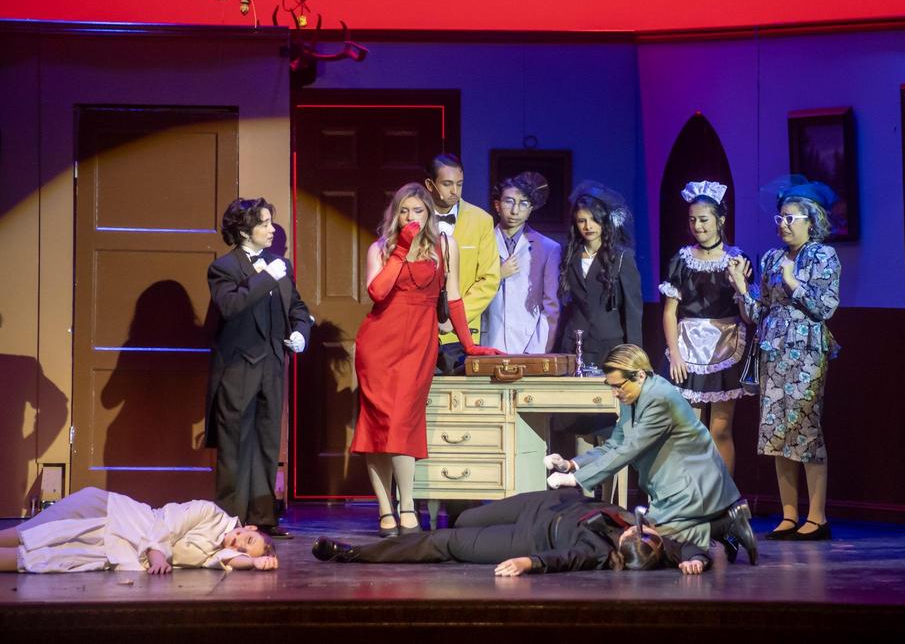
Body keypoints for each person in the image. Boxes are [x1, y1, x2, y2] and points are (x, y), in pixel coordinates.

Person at [351, 183, 501, 537]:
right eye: (404, 211)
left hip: (419, 346)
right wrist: (402, 249)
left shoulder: (444, 246)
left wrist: (469, 345)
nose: (411, 217)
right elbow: (377, 292)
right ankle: (386, 510)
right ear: (395, 214)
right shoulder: (381, 248)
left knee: (402, 423)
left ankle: (407, 505)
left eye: (417, 211)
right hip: (379, 347)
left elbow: (455, 298)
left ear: (429, 214)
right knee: (377, 428)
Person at [545, 344, 757, 564]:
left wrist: (576, 479)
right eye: (611, 386)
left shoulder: (659, 399)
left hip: (695, 484)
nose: (614, 393)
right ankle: (725, 526)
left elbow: (630, 449)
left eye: (618, 386)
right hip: (672, 486)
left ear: (639, 376)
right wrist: (572, 465)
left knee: (652, 536)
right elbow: (615, 444)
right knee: (647, 534)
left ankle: (724, 525)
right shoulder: (632, 397)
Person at [726, 177, 841, 541]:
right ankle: (789, 514)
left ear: (811, 220)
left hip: (806, 351)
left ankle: (817, 517)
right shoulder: (772, 258)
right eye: (780, 218)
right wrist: (742, 289)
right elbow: (757, 312)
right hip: (773, 351)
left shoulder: (823, 256)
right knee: (778, 431)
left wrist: (793, 283)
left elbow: (825, 307)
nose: (783, 225)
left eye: (791, 218)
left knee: (805, 427)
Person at [205, 197, 312, 539]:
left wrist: (300, 332)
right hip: (239, 369)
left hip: (272, 366)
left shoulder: (280, 265)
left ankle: (264, 517)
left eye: (270, 222)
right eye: (263, 224)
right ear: (243, 231)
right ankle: (230, 523)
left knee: (267, 443)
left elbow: (297, 307)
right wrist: (265, 277)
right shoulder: (224, 268)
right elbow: (230, 305)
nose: (271, 229)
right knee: (236, 446)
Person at [311, 488, 711, 575]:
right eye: (644, 531)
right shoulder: (655, 541)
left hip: (527, 539)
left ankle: (354, 553)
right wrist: (696, 561)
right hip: (542, 504)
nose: (638, 529)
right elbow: (692, 549)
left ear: (625, 548)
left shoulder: (596, 551)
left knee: (446, 541)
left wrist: (527, 562)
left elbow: (562, 559)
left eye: (635, 535)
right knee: (463, 518)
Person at [661, 181, 750, 475]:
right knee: (691, 431)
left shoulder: (737, 258)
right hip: (688, 347)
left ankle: (724, 495)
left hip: (726, 346)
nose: (697, 226)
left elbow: (748, 316)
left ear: (720, 220)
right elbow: (670, 312)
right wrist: (675, 354)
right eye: (692, 220)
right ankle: (693, 494)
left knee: (720, 429)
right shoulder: (682, 259)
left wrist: (740, 285)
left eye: (703, 219)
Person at [0, 486, 278, 573]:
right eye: (247, 538)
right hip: (110, 514)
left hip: (119, 551)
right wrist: (157, 555)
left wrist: (254, 562)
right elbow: (166, 522)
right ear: (249, 526)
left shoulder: (214, 555)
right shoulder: (210, 512)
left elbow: (229, 560)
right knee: (27, 535)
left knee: (34, 559)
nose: (238, 543)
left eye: (243, 549)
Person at [426, 153, 501, 370]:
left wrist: (453, 319)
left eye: (459, 184)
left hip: (462, 333)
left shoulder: (481, 220)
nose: (455, 191)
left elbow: (489, 279)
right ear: (430, 185)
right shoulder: (415, 217)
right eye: (447, 184)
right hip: (420, 329)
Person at [557, 182, 642, 366]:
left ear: (604, 220)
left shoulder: (621, 257)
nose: (588, 226)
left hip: (609, 345)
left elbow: (632, 311)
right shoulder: (569, 255)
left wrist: (634, 356)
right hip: (573, 342)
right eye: (582, 221)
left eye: (594, 219)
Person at [481, 172, 562, 353]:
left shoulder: (548, 248)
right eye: (509, 202)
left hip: (529, 343)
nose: (515, 211)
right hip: (488, 341)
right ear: (497, 205)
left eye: (523, 203)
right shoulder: (482, 243)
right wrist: (497, 274)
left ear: (530, 209)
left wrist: (536, 351)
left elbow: (550, 307)